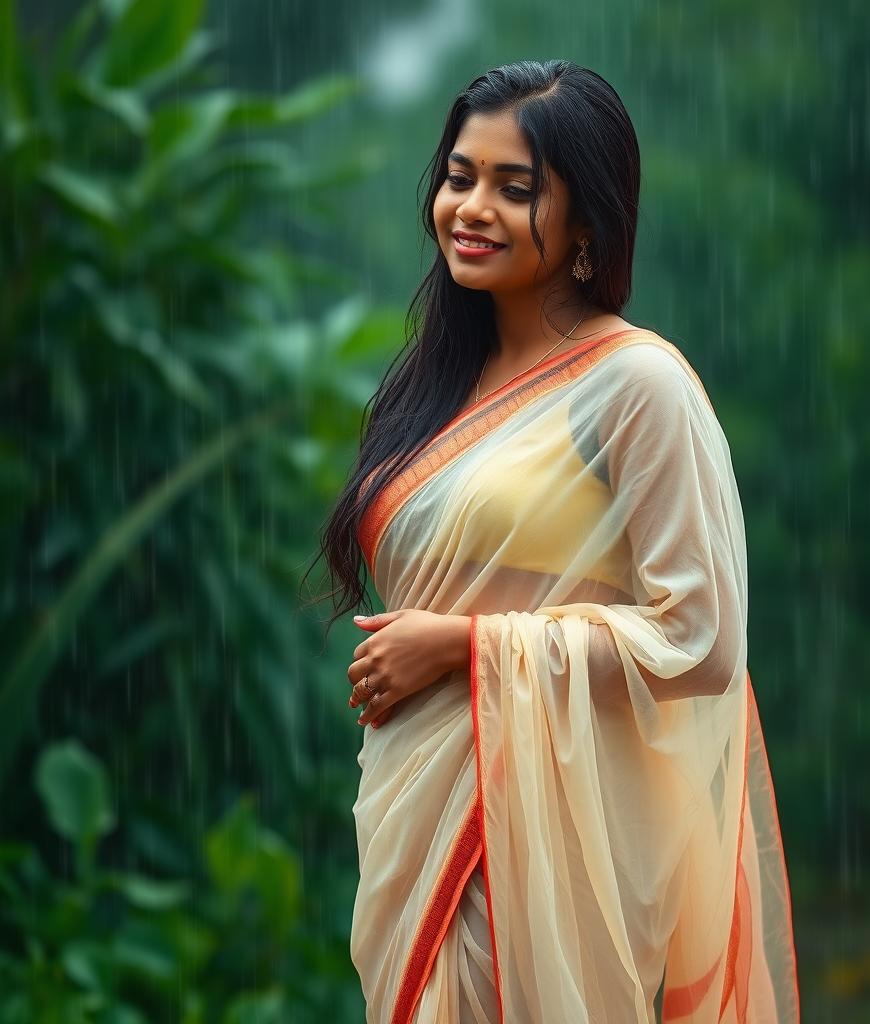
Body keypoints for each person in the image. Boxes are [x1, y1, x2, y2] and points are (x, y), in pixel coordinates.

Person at [312, 59, 800, 1023]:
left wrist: (466, 646)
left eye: (515, 186)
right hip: (414, 811)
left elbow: (701, 636)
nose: (472, 207)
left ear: (589, 223)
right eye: (460, 177)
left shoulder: (637, 388)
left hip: (543, 846)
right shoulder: (438, 383)